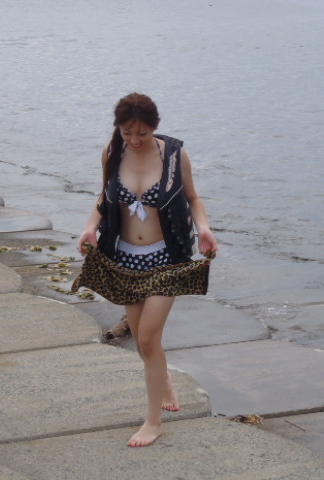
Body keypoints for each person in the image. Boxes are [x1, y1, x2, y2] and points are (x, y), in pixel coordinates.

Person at [77, 92, 218, 447]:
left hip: (166, 259)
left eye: (141, 133)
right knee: (145, 341)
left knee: (147, 339)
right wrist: (90, 227)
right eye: (127, 132)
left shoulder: (174, 155)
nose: (134, 140)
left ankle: (154, 422)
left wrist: (203, 229)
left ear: (155, 127)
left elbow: (193, 198)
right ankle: (163, 379)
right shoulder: (113, 152)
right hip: (126, 260)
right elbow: (104, 197)